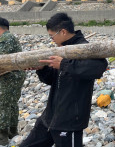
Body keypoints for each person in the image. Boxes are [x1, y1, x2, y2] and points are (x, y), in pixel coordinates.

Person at [20, 13, 108, 147]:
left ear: (63, 32)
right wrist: (41, 68)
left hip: (69, 122)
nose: (52, 40)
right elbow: (52, 80)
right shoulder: (61, 50)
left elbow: (98, 68)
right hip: (49, 118)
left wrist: (63, 65)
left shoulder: (84, 48)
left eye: (52, 36)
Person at [0, 18, 26, 146]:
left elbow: (1, 57)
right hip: (13, 75)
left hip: (10, 76)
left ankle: (2, 134)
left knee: (3, 103)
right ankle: (12, 130)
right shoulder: (9, 37)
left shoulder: (6, 38)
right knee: (11, 103)